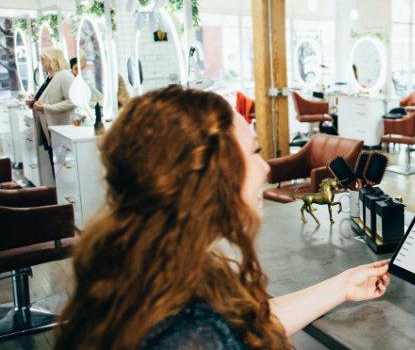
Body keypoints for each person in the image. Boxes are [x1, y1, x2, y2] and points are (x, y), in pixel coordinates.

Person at [55, 85, 391, 349]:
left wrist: (342, 287)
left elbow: (245, 326)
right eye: (255, 153)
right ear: (210, 179)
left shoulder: (146, 266)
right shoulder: (188, 334)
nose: (264, 170)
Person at [30, 48, 74, 147]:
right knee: (51, 155)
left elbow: (72, 102)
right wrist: (33, 102)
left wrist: (46, 107)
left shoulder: (65, 76)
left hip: (59, 126)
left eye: (43, 60)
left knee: (58, 158)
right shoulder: (50, 76)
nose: (41, 63)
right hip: (47, 124)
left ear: (53, 60)